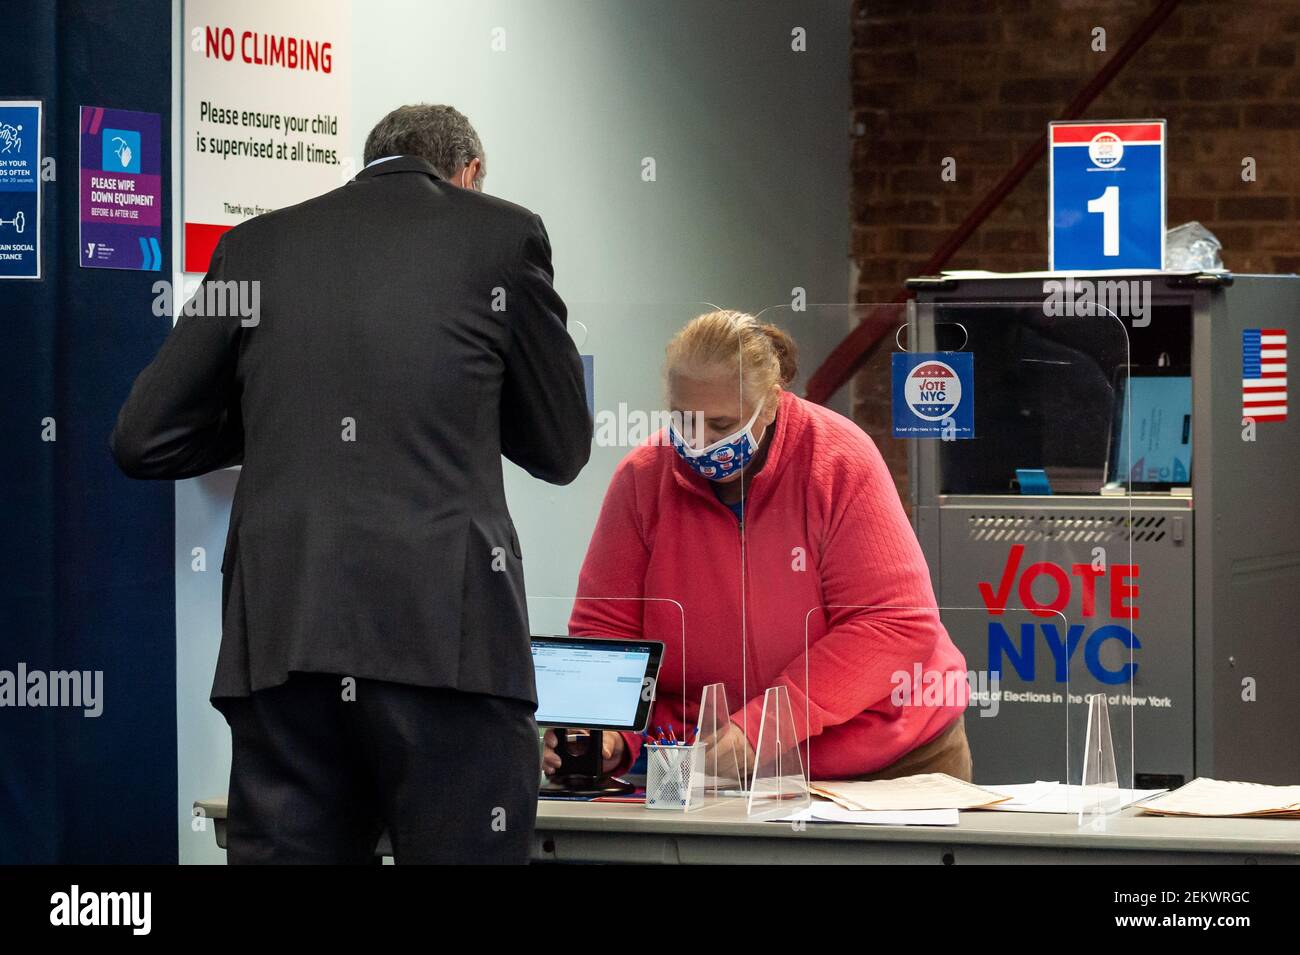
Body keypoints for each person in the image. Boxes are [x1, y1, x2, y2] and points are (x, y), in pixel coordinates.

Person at [111, 104, 592, 863]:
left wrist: (274, 420)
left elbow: (143, 438)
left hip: (283, 644)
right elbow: (562, 448)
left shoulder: (255, 244)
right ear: (467, 176)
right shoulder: (504, 235)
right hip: (449, 649)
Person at [545, 310, 970, 784]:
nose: (699, 442)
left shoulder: (839, 461)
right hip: (706, 762)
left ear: (769, 405)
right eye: (684, 420)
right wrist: (603, 729)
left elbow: (893, 624)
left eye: (722, 426)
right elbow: (607, 626)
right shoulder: (643, 478)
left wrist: (765, 727)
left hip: (882, 759)